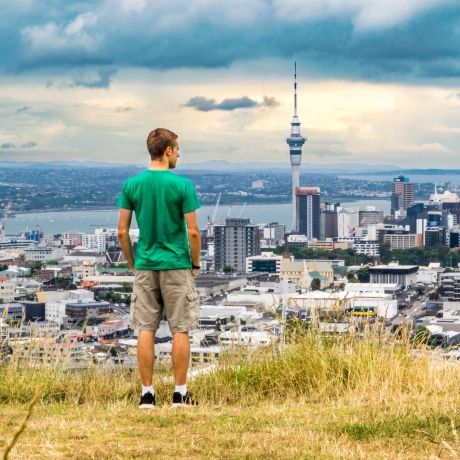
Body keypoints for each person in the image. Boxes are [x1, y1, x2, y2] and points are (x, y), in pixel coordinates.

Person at [117, 128, 201, 408]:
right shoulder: (182, 186)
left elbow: (122, 231)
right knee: (180, 329)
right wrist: (196, 264)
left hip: (146, 265)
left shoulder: (132, 185)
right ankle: (179, 393)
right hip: (176, 264)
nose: (179, 154)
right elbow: (193, 232)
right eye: (177, 149)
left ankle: (147, 394)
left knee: (145, 329)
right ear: (167, 151)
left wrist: (132, 262)